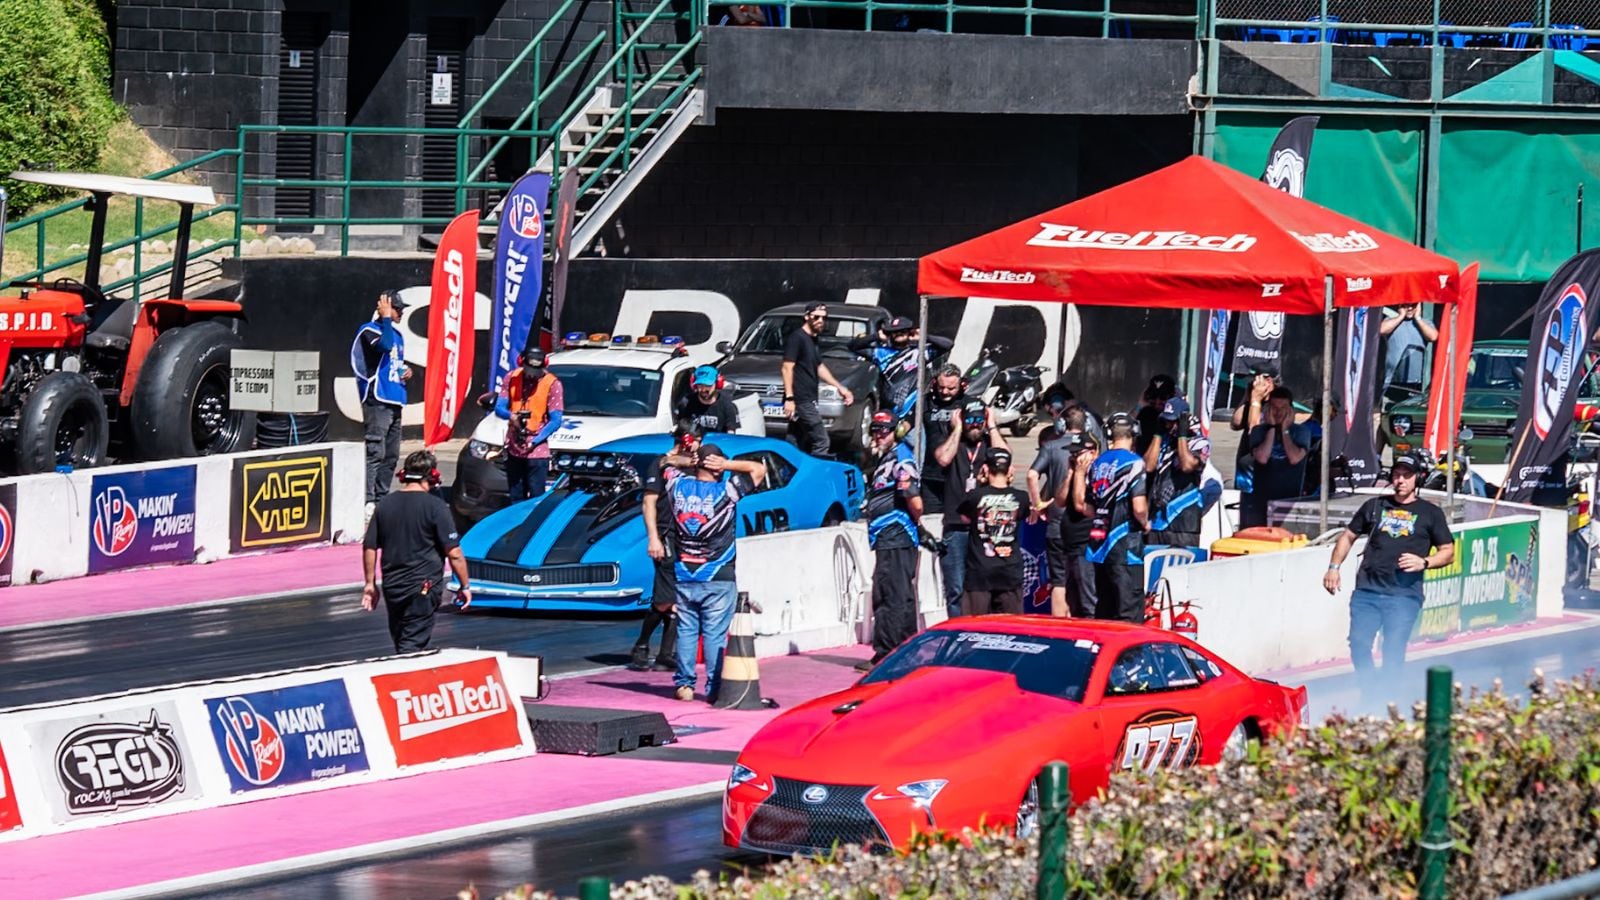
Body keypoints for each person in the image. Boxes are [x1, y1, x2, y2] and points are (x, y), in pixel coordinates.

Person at [1322, 452, 1454, 689]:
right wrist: (1333, 568)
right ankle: (1370, 690)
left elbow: (1448, 551)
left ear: (1417, 478)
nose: (1400, 480)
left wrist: (1424, 562)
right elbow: (1348, 536)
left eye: (1406, 475)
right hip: (1367, 591)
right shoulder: (1374, 506)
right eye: (1397, 475)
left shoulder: (1430, 513)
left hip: (1404, 595)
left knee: (1393, 649)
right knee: (1359, 644)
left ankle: (1387, 696)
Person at [650, 441, 766, 702]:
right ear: (717, 468)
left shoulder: (677, 485)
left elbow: (662, 462)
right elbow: (758, 470)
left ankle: (684, 685)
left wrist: (689, 460)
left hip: (684, 571)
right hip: (717, 572)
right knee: (714, 634)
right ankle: (714, 687)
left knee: (687, 630)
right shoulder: (726, 490)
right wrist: (727, 464)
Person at [361, 450, 472, 652]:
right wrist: (464, 585)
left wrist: (370, 583)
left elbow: (369, 546)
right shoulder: (436, 507)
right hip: (423, 586)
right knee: (411, 645)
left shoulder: (385, 504)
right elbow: (454, 553)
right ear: (433, 476)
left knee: (402, 639)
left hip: (392, 586)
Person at [633, 422, 704, 672]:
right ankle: (642, 644)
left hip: (689, 536)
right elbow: (649, 503)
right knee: (666, 598)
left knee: (681, 596)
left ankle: (665, 652)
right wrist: (653, 538)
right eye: (695, 441)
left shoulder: (696, 464)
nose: (698, 446)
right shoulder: (660, 464)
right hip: (666, 533)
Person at [857, 411, 924, 670]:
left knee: (890, 596)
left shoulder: (901, 459)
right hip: (888, 537)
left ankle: (886, 656)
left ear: (896, 432)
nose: (878, 435)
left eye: (884, 430)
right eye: (875, 430)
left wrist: (913, 523)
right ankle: (906, 653)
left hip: (896, 535)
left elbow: (915, 501)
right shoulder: (888, 457)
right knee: (899, 595)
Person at [931, 399, 1009, 617]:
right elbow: (943, 458)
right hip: (956, 525)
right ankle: (957, 630)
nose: (975, 425)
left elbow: (1006, 457)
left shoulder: (989, 442)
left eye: (979, 420)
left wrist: (992, 425)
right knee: (955, 588)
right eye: (970, 420)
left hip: (985, 527)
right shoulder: (951, 440)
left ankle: (981, 628)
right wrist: (957, 428)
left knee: (984, 587)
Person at [1078, 412, 1148, 623]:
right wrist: (1146, 523)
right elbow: (1139, 508)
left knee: (1104, 610)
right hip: (1125, 548)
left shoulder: (1097, 464)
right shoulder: (1135, 463)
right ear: (1133, 433)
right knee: (1129, 613)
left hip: (1099, 548)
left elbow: (1087, 509)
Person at [351, 289, 412, 513]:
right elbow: (384, 346)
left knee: (392, 454)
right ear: (385, 308)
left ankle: (381, 497)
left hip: (395, 397)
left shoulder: (398, 335)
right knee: (376, 451)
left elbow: (394, 362)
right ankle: (368, 500)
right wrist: (385, 318)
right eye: (397, 309)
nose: (401, 313)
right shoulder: (369, 330)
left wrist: (407, 371)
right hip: (377, 398)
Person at [1031, 406, 1096, 617]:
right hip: (1065, 532)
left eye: (1077, 453)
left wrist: (1038, 503)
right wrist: (1069, 474)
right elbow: (1059, 500)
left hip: (1080, 537)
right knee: (1066, 584)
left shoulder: (1093, 470)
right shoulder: (1074, 463)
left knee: (1080, 591)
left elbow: (1079, 504)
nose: (1074, 457)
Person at [479, 347, 565, 503]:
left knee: (536, 499)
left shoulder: (553, 384)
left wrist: (536, 440)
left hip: (537, 451)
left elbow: (556, 420)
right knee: (516, 497)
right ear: (521, 363)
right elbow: (499, 407)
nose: (532, 374)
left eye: (536, 371)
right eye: (529, 369)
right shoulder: (511, 378)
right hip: (514, 447)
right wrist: (512, 417)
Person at [958, 447, 1029, 616]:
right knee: (1011, 624)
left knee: (975, 624)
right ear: (1010, 470)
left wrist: (980, 484)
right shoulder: (1022, 497)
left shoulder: (974, 496)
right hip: (1010, 570)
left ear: (985, 468)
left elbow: (964, 518)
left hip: (980, 570)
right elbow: (1023, 515)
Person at [848, 315, 952, 423]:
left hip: (914, 410)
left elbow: (948, 345)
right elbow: (852, 346)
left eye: (903, 331)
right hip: (889, 409)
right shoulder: (880, 353)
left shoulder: (921, 352)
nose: (899, 333)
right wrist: (876, 336)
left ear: (909, 332)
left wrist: (925, 337)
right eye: (895, 332)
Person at [781, 302, 854, 457]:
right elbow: (787, 368)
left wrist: (840, 388)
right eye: (816, 317)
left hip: (809, 397)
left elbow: (819, 366)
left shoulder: (812, 339)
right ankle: (817, 469)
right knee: (821, 441)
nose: (820, 321)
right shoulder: (797, 338)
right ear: (807, 317)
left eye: (823, 318)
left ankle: (787, 467)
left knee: (795, 439)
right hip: (800, 399)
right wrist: (789, 398)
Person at [1145, 397, 1210, 549]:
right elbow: (1148, 467)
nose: (1168, 425)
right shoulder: (1164, 441)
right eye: (1166, 421)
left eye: (1172, 422)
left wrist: (1182, 435)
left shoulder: (1200, 442)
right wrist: (1157, 435)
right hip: (1158, 521)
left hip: (1184, 522)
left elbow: (1187, 466)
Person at [1245, 386, 1311, 526]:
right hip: (1261, 500)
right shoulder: (1258, 431)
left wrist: (1285, 430)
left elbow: (1295, 458)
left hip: (1291, 499)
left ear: (1291, 410)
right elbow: (1262, 457)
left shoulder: (1302, 432)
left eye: (1283, 408)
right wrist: (1272, 428)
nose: (1278, 412)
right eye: (1274, 408)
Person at [919, 364, 966, 517]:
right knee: (930, 519)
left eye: (951, 388)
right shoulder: (924, 403)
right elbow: (906, 425)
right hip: (930, 475)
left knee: (956, 520)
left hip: (958, 476)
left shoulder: (968, 403)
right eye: (941, 387)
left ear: (961, 385)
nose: (945, 392)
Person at [1230, 369, 1275, 527]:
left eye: (1256, 381)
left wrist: (1256, 400)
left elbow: (1254, 431)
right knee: (1245, 523)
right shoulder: (1253, 400)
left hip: (1262, 479)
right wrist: (1248, 396)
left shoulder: (1275, 405)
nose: (1253, 385)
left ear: (1268, 382)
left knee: (1257, 524)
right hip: (1246, 477)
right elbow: (1235, 423)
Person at [674, 365, 741, 434]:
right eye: (700, 385)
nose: (703, 389)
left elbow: (730, 435)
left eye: (708, 385)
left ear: (717, 384)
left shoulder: (727, 406)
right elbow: (681, 430)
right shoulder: (686, 403)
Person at [1134, 374, 1178, 455]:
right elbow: (1126, 433)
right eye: (1153, 396)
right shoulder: (1145, 415)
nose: (1157, 402)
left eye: (1163, 397)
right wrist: (1140, 405)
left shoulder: (1179, 418)